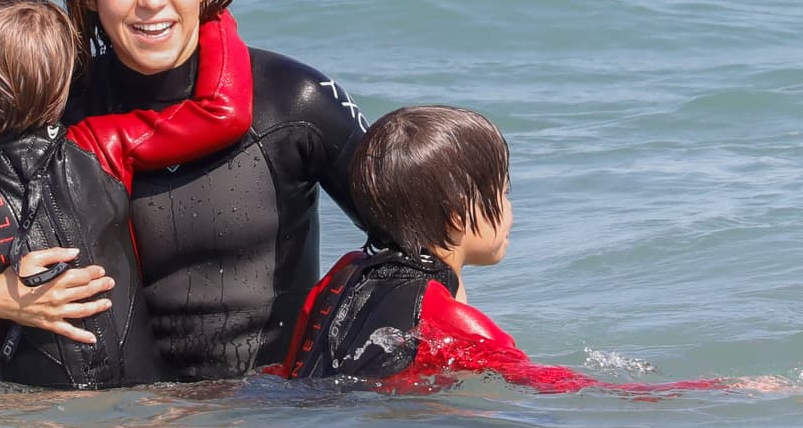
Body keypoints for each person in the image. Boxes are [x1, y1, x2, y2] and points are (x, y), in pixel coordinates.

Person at [0, 0, 368, 381]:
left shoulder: (294, 100)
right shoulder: (57, 116)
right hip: (121, 425)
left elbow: (421, 249)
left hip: (269, 422)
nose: (152, 0)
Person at [0, 0, 253, 388]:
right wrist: (209, 12)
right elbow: (223, 113)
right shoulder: (104, 146)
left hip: (39, 421)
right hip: (147, 403)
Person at [272, 105, 727, 395]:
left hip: (309, 415)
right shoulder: (446, 317)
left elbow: (296, 366)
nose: (510, 210)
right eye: (503, 194)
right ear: (456, 216)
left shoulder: (348, 270)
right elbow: (552, 384)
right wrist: (707, 389)